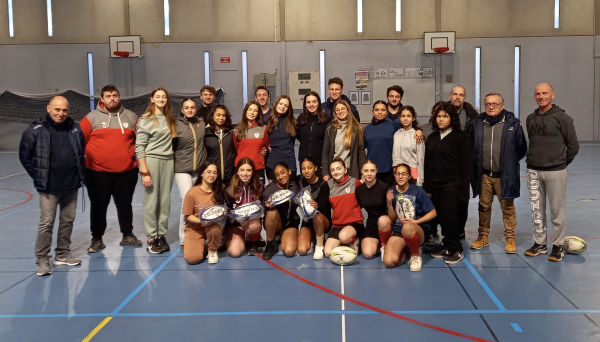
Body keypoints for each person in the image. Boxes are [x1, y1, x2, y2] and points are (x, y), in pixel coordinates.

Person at [19, 96, 86, 276]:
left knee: (67, 221)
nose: (61, 113)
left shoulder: (75, 128)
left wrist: (81, 176)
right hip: (48, 187)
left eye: (64, 110)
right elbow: (24, 156)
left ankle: (63, 254)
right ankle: (42, 259)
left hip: (71, 184)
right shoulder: (35, 130)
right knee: (46, 223)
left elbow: (81, 153)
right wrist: (38, 176)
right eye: (57, 109)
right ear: (48, 108)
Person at [80, 85, 143, 253]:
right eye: (108, 96)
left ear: (119, 97)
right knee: (99, 206)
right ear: (102, 99)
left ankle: (127, 235)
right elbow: (79, 141)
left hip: (127, 172)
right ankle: (97, 239)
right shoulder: (91, 118)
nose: (112, 98)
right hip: (97, 173)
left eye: (115, 95)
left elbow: (142, 140)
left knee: (125, 205)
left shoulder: (131, 117)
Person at [524, 83, 579, 262]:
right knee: (537, 211)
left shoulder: (563, 118)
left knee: (557, 211)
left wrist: (561, 163)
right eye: (538, 93)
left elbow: (573, 146)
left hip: (556, 171)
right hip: (533, 170)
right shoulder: (530, 118)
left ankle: (557, 245)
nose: (541, 96)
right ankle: (539, 243)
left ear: (552, 95)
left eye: (545, 93)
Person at [470, 93, 527, 254]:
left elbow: (521, 148)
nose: (491, 106)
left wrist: (509, 163)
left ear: (502, 106)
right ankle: (483, 236)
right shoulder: (478, 123)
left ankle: (510, 238)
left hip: (504, 175)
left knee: (508, 208)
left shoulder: (513, 124)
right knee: (484, 207)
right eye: (488, 104)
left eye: (495, 104)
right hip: (484, 175)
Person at [424, 102, 472, 264]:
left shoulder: (460, 137)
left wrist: (464, 190)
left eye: (445, 116)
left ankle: (456, 249)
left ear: (452, 118)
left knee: (448, 215)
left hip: (452, 184)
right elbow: (428, 163)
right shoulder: (432, 137)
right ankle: (446, 245)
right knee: (440, 217)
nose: (441, 119)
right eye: (439, 116)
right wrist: (427, 187)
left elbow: (466, 165)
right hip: (434, 185)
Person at [136, 87, 177, 254]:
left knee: (165, 202)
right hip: (152, 162)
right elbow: (140, 147)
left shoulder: (170, 119)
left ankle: (161, 235)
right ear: (151, 99)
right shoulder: (145, 119)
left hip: (169, 162)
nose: (161, 99)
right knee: (151, 201)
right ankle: (151, 238)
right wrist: (144, 171)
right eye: (157, 96)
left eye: (164, 97)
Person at [382, 163, 437, 271]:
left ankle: (415, 256)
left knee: (407, 227)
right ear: (394, 175)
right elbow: (393, 219)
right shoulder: (391, 191)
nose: (400, 176)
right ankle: (407, 247)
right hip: (399, 230)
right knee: (388, 262)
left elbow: (433, 212)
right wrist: (389, 203)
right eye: (398, 174)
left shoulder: (418, 190)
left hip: (417, 229)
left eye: (404, 174)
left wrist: (416, 222)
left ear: (409, 176)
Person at [173, 98, 207, 249]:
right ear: (182, 109)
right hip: (182, 169)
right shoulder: (175, 124)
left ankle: (198, 233)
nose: (190, 110)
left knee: (199, 203)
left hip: (199, 170)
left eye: (192, 107)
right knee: (186, 200)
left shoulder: (201, 124)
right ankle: (183, 238)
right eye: (186, 107)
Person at [449, 86, 479, 239]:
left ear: (464, 98)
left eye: (461, 95)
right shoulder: (442, 113)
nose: (458, 97)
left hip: (465, 164)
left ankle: (460, 229)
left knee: (463, 198)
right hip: (447, 162)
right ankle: (448, 229)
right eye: (455, 94)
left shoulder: (472, 117)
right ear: (450, 96)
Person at [182, 161, 225, 264]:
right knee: (192, 259)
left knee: (214, 229)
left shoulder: (220, 190)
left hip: (212, 226)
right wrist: (202, 220)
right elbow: (188, 216)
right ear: (202, 173)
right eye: (208, 172)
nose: (212, 175)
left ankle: (212, 250)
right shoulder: (192, 193)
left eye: (215, 173)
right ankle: (203, 246)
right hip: (195, 227)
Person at [324, 158, 365, 257]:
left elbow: (363, 199)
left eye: (338, 169)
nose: (335, 172)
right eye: (332, 170)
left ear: (345, 170)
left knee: (344, 237)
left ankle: (355, 240)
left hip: (354, 223)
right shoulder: (328, 186)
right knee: (328, 252)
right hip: (338, 224)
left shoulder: (354, 182)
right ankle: (345, 243)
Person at [225, 158, 263, 257]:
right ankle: (231, 238)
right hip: (236, 224)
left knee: (254, 226)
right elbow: (226, 211)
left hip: (252, 223)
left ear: (253, 172)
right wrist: (236, 220)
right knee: (235, 253)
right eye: (242, 170)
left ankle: (253, 241)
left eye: (248, 170)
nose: (245, 173)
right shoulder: (229, 189)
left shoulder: (259, 186)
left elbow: (262, 206)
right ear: (237, 171)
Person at [262, 163, 300, 260]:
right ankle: (270, 244)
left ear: (289, 171)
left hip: (290, 223)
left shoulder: (295, 186)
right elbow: (261, 211)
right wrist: (266, 207)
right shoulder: (269, 190)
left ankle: (284, 236)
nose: (280, 177)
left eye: (282, 173)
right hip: (276, 223)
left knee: (289, 251)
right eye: (277, 175)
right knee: (271, 212)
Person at [322, 100, 366, 180]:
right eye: (337, 110)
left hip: (351, 170)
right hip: (335, 171)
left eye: (342, 109)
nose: (340, 111)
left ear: (348, 110)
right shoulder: (330, 128)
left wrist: (363, 171)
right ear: (335, 112)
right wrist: (325, 172)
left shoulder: (358, 128)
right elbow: (326, 152)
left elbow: (361, 152)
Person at [298, 157, 332, 260]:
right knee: (302, 250)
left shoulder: (323, 184)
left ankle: (319, 246)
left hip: (322, 220)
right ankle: (314, 236)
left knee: (316, 216)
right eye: (303, 168)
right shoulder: (299, 181)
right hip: (307, 222)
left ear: (315, 168)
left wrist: (317, 206)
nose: (306, 171)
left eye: (309, 168)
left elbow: (326, 205)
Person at [356, 160, 390, 259]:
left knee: (383, 220)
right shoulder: (359, 190)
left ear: (376, 171)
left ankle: (385, 244)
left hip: (386, 222)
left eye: (372, 170)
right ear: (361, 171)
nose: (369, 174)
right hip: (372, 222)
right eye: (366, 171)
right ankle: (376, 243)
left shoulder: (385, 188)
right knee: (367, 254)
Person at [364, 101, 401, 188]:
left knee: (388, 197)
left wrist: (419, 131)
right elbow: (362, 148)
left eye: (383, 110)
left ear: (387, 112)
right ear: (373, 112)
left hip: (388, 169)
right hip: (371, 171)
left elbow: (409, 126)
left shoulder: (394, 125)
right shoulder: (367, 129)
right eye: (377, 110)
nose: (380, 112)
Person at [296, 91, 332, 178]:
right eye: (308, 102)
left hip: (319, 162)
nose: (311, 104)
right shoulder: (301, 118)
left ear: (319, 103)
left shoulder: (326, 120)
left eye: (314, 102)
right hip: (304, 161)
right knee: (305, 189)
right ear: (305, 104)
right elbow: (298, 136)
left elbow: (329, 142)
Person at [233, 101, 270, 178]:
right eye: (250, 109)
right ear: (245, 111)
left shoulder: (264, 129)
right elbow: (236, 149)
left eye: (255, 110)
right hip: (241, 169)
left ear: (258, 114)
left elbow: (267, 146)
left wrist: (265, 150)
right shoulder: (236, 130)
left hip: (258, 169)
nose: (252, 112)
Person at [266, 95, 297, 183]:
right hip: (273, 162)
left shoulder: (293, 122)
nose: (283, 107)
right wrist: (265, 146)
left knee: (290, 193)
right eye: (281, 104)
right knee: (274, 193)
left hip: (289, 162)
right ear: (276, 104)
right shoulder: (269, 121)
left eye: (286, 105)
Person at [205, 104, 237, 185]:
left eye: (224, 115)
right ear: (212, 116)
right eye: (218, 115)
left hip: (231, 177)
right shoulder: (206, 133)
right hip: (213, 177)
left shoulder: (232, 131)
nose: (221, 118)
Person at [392, 106, 424, 186]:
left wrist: (420, 181)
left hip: (412, 174)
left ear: (413, 118)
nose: (405, 119)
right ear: (399, 117)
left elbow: (421, 159)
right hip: (397, 173)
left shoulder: (417, 135)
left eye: (408, 116)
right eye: (403, 116)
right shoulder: (396, 134)